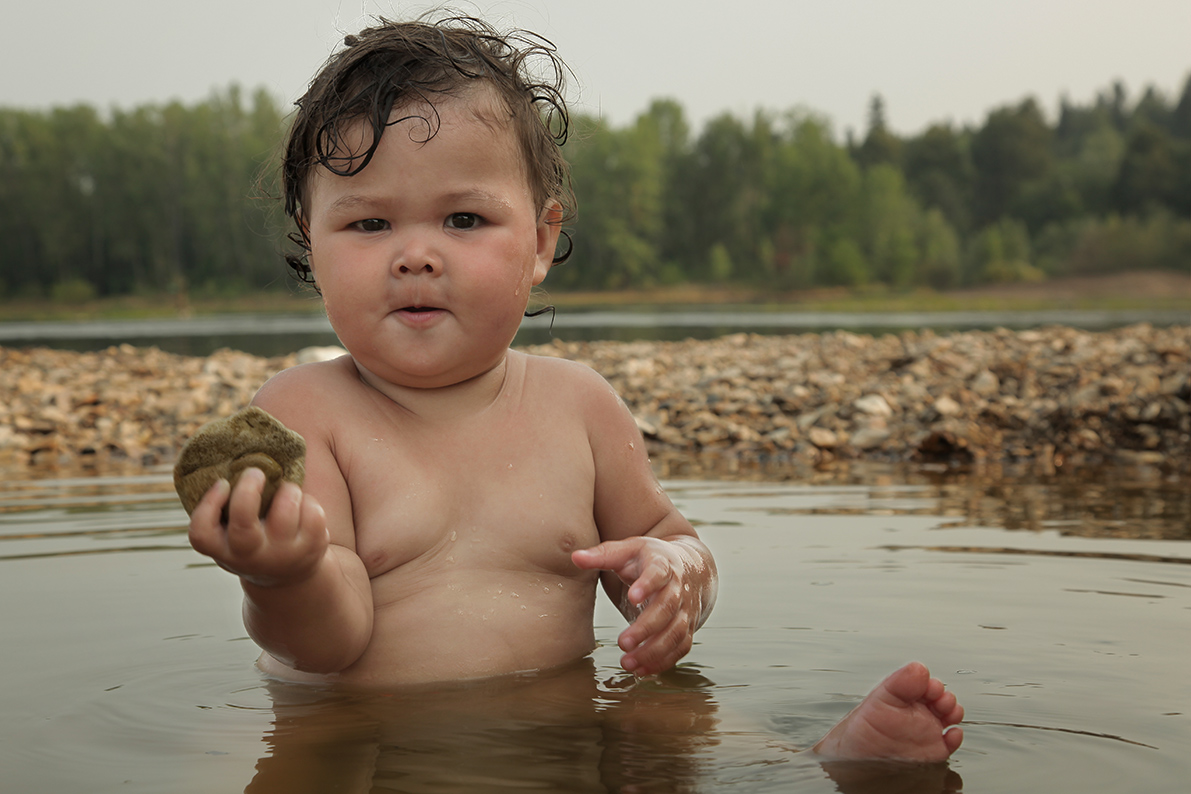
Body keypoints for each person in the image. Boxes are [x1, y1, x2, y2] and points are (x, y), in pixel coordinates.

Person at [186, 15, 962, 763]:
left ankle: (821, 764)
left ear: (541, 240)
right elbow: (325, 645)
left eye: (462, 218)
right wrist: (282, 573)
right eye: (368, 225)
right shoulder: (306, 413)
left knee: (680, 722)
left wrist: (673, 578)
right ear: (310, 242)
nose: (415, 255)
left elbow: (673, 535)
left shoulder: (578, 406)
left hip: (568, 719)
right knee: (285, 762)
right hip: (364, 736)